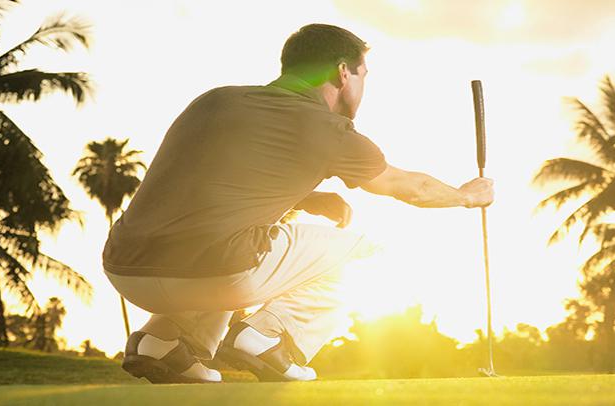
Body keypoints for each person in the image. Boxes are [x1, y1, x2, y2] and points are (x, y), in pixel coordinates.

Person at [102, 23, 494, 383]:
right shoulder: (330, 130)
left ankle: (160, 342)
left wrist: (307, 197)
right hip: (214, 270)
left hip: (124, 267)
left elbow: (209, 183)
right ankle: (268, 335)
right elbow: (409, 187)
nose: (362, 87)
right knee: (367, 252)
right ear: (344, 73)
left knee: (234, 237)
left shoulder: (215, 100)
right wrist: (467, 195)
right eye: (363, 76)